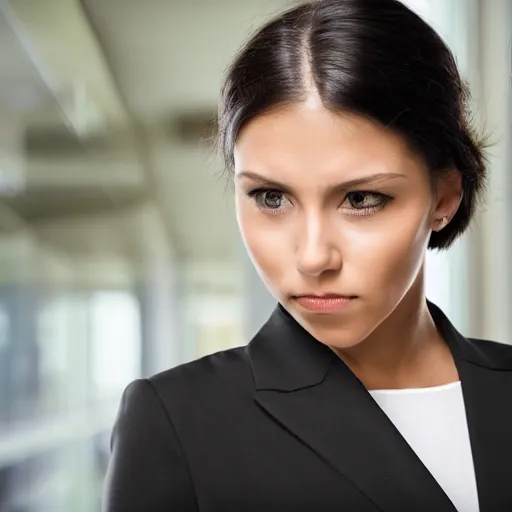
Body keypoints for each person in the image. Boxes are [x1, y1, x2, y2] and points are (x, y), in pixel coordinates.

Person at [102, 0, 512, 511]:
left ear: (444, 197)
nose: (313, 257)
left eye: (361, 199)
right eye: (271, 197)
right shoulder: (177, 422)